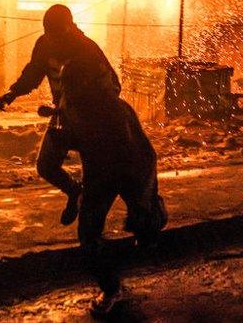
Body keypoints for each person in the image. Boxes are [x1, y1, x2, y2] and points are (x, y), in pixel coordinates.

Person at [54, 56, 167, 317]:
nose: (66, 89)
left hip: (131, 169)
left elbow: (126, 155)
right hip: (102, 173)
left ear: (85, 83)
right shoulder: (77, 105)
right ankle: (111, 287)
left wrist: (140, 203)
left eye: (70, 84)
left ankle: (151, 218)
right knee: (88, 235)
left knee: (143, 224)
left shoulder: (112, 111)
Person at [0, 4, 119, 226]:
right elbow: (33, 71)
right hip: (63, 115)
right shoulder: (44, 44)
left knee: (95, 173)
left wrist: (94, 109)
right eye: (48, 32)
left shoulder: (87, 50)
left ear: (70, 27)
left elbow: (113, 85)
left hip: (93, 119)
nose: (52, 39)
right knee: (46, 166)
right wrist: (13, 93)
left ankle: (91, 226)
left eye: (57, 33)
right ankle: (74, 191)